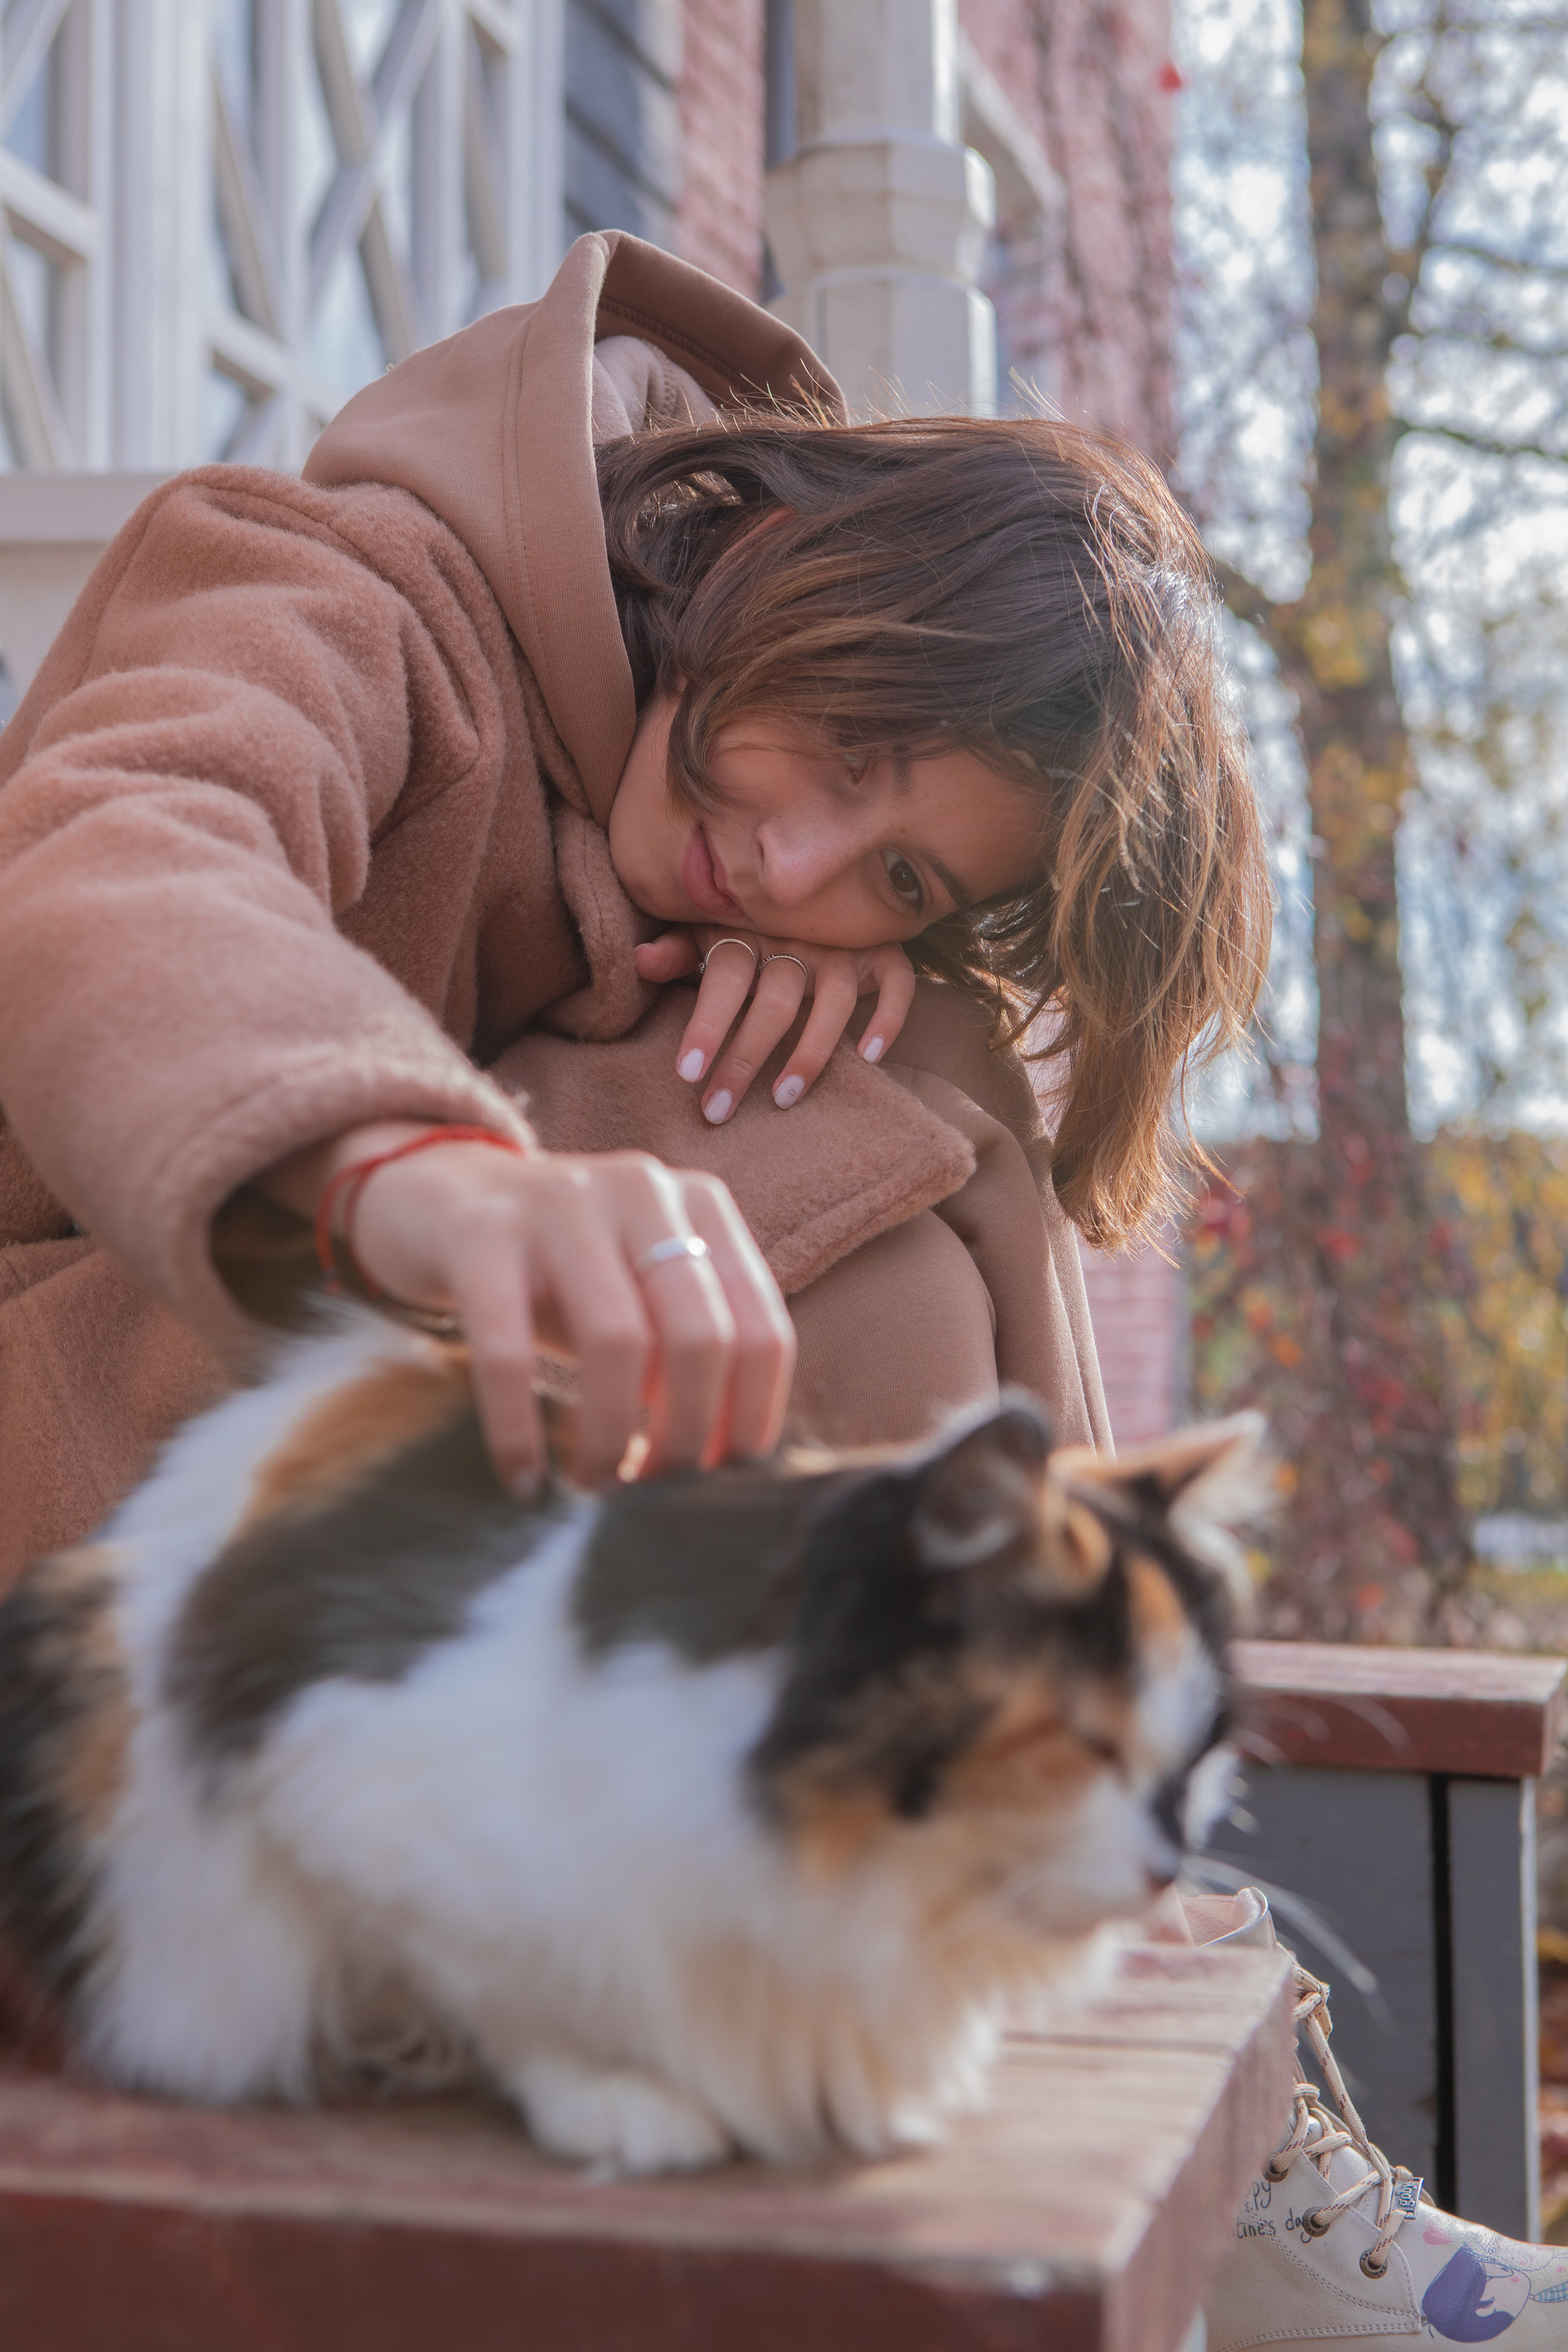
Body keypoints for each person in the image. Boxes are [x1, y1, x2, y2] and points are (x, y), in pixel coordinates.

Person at [0, 229, 1552, 2334]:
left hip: (408, 1672)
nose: (801, 863)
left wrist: (875, 993)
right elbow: (121, 855)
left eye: (908, 868)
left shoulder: (821, 948)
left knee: (914, 1077)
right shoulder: (328, 579)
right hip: (84, 1534)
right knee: (867, 1125)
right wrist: (415, 1169)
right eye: (832, 737)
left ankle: (1102, 2007)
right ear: (770, 556)